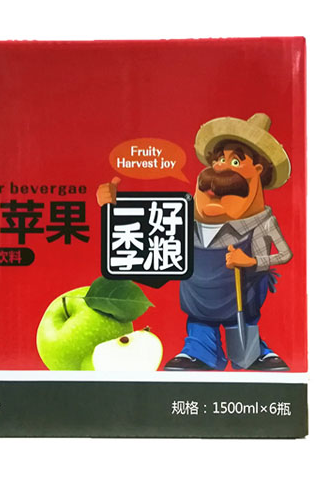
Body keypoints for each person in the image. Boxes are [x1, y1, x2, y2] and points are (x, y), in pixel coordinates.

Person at [96, 113, 293, 371]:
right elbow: (152, 250)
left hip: (240, 298)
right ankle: (200, 350)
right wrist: (114, 209)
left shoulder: (260, 223)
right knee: (200, 324)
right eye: (219, 159)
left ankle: (254, 353)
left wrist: (252, 261)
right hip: (198, 297)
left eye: (235, 161)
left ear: (257, 171)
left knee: (243, 327)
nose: (221, 167)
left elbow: (284, 254)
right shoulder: (182, 217)